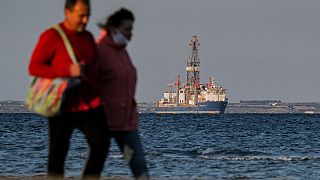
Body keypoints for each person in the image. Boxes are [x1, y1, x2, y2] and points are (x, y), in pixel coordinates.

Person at [28, 0, 108, 179]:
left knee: (101, 143)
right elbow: (34, 67)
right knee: (58, 152)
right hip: (62, 105)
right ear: (68, 12)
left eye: (88, 15)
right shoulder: (52, 36)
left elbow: (95, 67)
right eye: (81, 15)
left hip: (89, 103)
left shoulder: (87, 37)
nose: (85, 20)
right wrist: (66, 70)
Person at [96, 8, 149, 179]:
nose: (130, 34)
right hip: (104, 123)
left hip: (127, 124)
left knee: (139, 167)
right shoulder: (100, 51)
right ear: (114, 28)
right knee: (94, 167)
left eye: (131, 29)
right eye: (127, 29)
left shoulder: (123, 52)